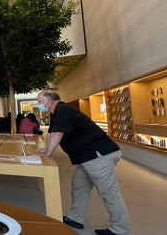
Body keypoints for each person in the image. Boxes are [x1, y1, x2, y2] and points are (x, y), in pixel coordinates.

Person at [36, 90, 129, 235]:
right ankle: (75, 218)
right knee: (79, 186)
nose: (38, 104)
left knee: (109, 193)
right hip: (87, 157)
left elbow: (58, 134)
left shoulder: (63, 110)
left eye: (40, 101)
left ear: (49, 101)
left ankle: (121, 229)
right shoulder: (56, 113)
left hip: (99, 155)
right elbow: (52, 133)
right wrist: (44, 152)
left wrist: (47, 153)